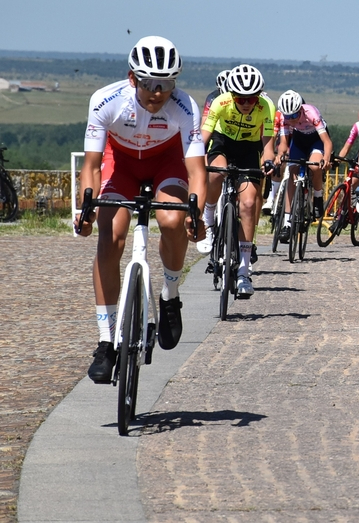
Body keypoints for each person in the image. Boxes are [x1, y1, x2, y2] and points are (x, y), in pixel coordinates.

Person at [76, 37, 207, 383]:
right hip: (120, 164)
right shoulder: (106, 100)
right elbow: (91, 165)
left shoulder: (185, 107)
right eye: (149, 83)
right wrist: (85, 208)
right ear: (132, 78)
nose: (158, 92)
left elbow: (196, 171)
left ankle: (170, 294)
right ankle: (106, 342)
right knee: (111, 236)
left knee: (172, 219)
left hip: (167, 162)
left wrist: (197, 215)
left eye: (167, 83)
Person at [199, 64, 276, 298]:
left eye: (251, 99)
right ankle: (209, 218)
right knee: (216, 172)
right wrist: (195, 159)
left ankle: (243, 271)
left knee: (249, 204)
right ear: (232, 95)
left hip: (249, 148)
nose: (246, 103)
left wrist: (269, 161)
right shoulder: (220, 103)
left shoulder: (266, 106)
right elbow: (204, 136)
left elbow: (267, 144)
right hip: (223, 141)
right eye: (240, 99)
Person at [272, 90, 333, 241]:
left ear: (300, 109)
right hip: (299, 140)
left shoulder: (311, 113)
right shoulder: (285, 117)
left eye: (294, 116)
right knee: (292, 171)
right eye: (288, 117)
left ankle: (317, 197)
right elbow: (284, 143)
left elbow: (327, 141)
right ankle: (287, 223)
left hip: (316, 139)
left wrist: (326, 158)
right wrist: (279, 155)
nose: (291, 120)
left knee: (314, 167)